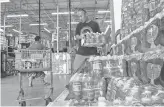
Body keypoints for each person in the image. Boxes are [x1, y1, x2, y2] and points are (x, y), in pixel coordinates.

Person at [73, 8, 101, 73]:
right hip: (81, 52)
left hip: (92, 52)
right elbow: (76, 36)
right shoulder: (79, 25)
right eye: (78, 17)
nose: (80, 18)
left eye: (81, 16)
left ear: (86, 14)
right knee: (75, 69)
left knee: (94, 71)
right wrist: (80, 37)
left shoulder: (94, 24)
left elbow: (99, 36)